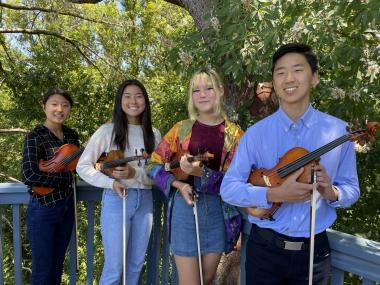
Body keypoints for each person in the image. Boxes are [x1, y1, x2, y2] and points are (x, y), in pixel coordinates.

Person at [221, 43, 360, 285]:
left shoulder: (339, 132)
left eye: (297, 70)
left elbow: (351, 189)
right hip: (264, 248)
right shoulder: (256, 134)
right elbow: (228, 188)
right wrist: (274, 193)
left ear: (314, 77)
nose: (288, 78)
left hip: (314, 253)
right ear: (274, 82)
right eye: (280, 72)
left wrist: (331, 192)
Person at [146, 68, 244, 285]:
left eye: (209, 88)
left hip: (219, 210)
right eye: (196, 90)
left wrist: (204, 174)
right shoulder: (182, 130)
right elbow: (151, 165)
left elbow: (237, 181)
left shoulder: (234, 134)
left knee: (206, 280)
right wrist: (177, 184)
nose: (203, 94)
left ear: (220, 91)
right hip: (185, 208)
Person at [76, 79, 161, 285]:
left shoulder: (154, 134)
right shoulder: (108, 131)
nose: (133, 101)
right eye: (127, 96)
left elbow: (157, 173)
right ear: (119, 101)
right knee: (115, 267)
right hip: (116, 199)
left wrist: (134, 173)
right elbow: (82, 166)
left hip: (145, 201)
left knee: (135, 265)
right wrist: (110, 183)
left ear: (145, 102)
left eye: (139, 96)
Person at [21, 87, 80, 285]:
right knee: (42, 269)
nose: (59, 109)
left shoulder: (72, 136)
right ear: (44, 107)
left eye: (65, 105)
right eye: (54, 104)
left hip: (66, 208)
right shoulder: (35, 136)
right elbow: (29, 174)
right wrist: (64, 179)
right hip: (43, 209)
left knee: (56, 266)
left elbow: (78, 167)